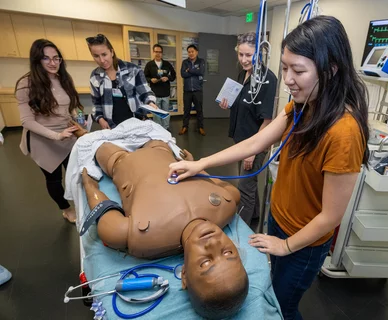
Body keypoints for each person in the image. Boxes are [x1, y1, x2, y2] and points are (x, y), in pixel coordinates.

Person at [169, 15, 370, 320]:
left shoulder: (344, 132)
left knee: (283, 307)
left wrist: (286, 245)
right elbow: (257, 141)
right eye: (285, 67)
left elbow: (331, 216)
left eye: (298, 70)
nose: (288, 79)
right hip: (280, 219)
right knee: (271, 292)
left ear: (331, 70)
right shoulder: (303, 105)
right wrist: (201, 163)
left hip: (303, 242)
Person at [78, 132, 248, 319]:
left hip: (121, 161)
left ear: (184, 275)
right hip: (161, 150)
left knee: (96, 143)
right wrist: (197, 168)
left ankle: (82, 132)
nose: (213, 243)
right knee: (157, 137)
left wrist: (89, 186)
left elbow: (108, 222)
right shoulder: (226, 204)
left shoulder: (143, 236)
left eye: (206, 262)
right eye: (228, 253)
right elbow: (221, 186)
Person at [15, 39, 83, 224]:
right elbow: (27, 121)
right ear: (37, 60)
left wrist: (76, 116)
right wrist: (56, 136)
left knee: (75, 174)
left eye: (56, 58)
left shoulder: (64, 79)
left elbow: (69, 105)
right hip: (43, 140)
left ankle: (81, 203)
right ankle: (67, 209)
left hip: (66, 136)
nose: (53, 63)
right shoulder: (26, 84)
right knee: (54, 180)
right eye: (46, 58)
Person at [219, 32, 277, 226]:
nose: (244, 60)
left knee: (244, 187)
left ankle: (241, 230)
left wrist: (252, 151)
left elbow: (267, 120)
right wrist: (229, 104)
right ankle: (253, 218)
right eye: (240, 54)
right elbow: (244, 103)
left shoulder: (267, 80)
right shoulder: (244, 73)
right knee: (248, 184)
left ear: (260, 53)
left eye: (249, 55)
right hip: (241, 140)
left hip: (254, 143)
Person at [86, 34, 158, 129]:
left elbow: (145, 91)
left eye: (104, 54)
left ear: (111, 52)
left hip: (137, 123)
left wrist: (150, 102)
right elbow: (96, 104)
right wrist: (100, 119)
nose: (102, 60)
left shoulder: (133, 69)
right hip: (112, 126)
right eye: (96, 56)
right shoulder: (95, 76)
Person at [144, 44, 176, 130]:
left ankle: (165, 128)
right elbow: (144, 77)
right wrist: (151, 80)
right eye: (156, 52)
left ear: (162, 53)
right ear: (153, 52)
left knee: (165, 112)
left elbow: (173, 76)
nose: (158, 54)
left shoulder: (166, 64)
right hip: (155, 93)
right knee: (156, 112)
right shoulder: (149, 65)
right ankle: (157, 128)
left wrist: (168, 78)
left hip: (165, 92)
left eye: (160, 52)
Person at [179, 44, 206, 136]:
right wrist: (194, 71)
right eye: (189, 52)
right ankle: (185, 127)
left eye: (192, 51)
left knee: (199, 110)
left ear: (196, 52)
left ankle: (201, 127)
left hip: (197, 90)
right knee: (186, 110)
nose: (191, 53)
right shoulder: (185, 62)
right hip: (187, 90)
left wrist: (189, 70)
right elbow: (183, 74)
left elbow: (201, 72)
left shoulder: (201, 61)